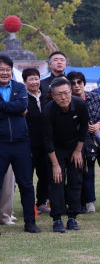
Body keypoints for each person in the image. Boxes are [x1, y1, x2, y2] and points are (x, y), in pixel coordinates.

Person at [67, 71, 100, 213]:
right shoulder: (68, 102)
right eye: (73, 83)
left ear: (84, 83)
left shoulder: (95, 97)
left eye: (79, 82)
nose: (77, 86)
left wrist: (99, 125)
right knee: (87, 172)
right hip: (82, 142)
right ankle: (90, 202)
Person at [42, 77, 88, 232]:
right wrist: (55, 165)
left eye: (66, 93)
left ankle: (72, 218)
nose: (63, 97)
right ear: (53, 95)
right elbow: (47, 140)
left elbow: (84, 130)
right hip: (55, 149)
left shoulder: (80, 104)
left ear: (71, 92)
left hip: (75, 146)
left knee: (75, 181)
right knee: (56, 181)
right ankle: (57, 219)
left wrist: (77, 151)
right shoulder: (48, 110)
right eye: (59, 94)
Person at [0, 54, 40, 234]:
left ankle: (30, 222)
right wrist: (16, 109)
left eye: (7, 69)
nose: (4, 72)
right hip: (1, 143)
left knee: (26, 184)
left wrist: (6, 107)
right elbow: (19, 109)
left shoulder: (19, 87)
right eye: (1, 69)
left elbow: (24, 106)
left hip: (21, 142)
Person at [21, 67, 49, 213]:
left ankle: (41, 203)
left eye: (36, 78)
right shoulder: (22, 98)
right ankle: (30, 206)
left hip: (45, 144)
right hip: (28, 144)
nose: (34, 82)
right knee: (27, 177)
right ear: (24, 82)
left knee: (44, 175)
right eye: (30, 79)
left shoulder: (46, 96)